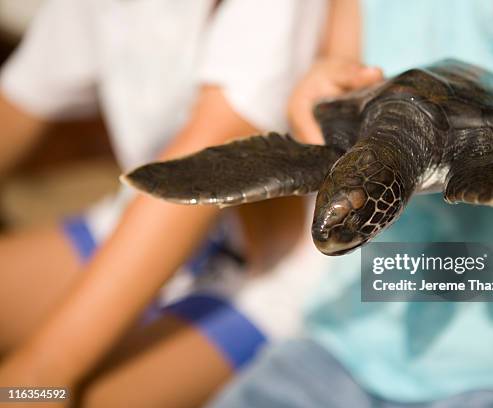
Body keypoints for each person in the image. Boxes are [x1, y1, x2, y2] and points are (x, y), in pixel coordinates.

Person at [211, 0, 493, 407]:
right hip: (355, 331)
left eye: (356, 219)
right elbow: (338, 64)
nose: (334, 236)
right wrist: (320, 87)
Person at [0, 0, 333, 406]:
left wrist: (41, 372)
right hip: (137, 224)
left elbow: (208, 157)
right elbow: (19, 102)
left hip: (276, 276)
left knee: (81, 397)